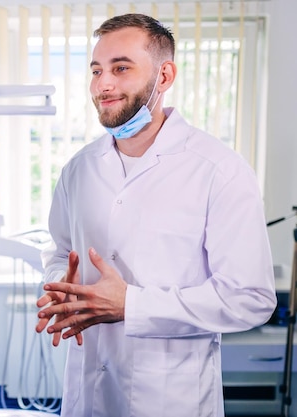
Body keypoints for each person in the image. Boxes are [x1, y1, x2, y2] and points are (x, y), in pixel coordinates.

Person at [35, 13, 276, 417]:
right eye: (96, 70)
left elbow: (250, 298)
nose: (103, 84)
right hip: (86, 396)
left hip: (171, 400)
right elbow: (58, 250)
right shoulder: (77, 170)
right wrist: (64, 285)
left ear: (164, 76)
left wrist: (133, 305)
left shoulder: (219, 170)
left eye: (121, 68)